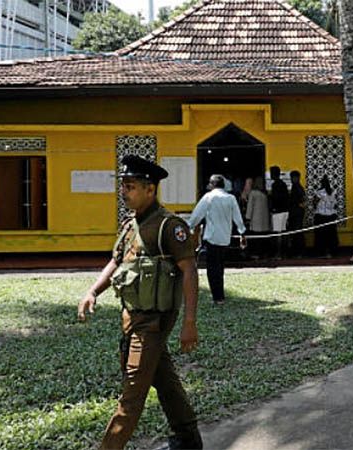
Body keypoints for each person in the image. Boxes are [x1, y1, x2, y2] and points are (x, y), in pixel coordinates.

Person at [76, 155, 203, 449]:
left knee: (132, 396)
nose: (124, 191)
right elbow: (116, 261)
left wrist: (190, 322)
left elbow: (190, 271)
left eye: (130, 186)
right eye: (123, 186)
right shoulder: (129, 225)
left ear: (150, 189)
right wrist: (93, 291)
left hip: (154, 323)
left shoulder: (169, 227)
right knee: (165, 381)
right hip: (131, 318)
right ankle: (188, 439)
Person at [187, 174, 247, 304]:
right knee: (220, 268)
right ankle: (220, 294)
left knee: (212, 269)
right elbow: (238, 217)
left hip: (211, 237)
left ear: (212, 185)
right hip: (225, 238)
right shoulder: (231, 198)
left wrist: (188, 227)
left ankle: (217, 297)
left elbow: (197, 215)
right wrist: (242, 233)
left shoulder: (208, 197)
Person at [313, 175, 338, 257]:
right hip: (331, 216)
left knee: (321, 236)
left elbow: (314, 203)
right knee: (331, 236)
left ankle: (321, 252)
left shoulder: (319, 192)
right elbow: (335, 204)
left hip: (321, 216)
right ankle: (332, 252)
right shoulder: (333, 191)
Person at [245, 176, 270, 258]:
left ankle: (255, 253)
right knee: (263, 238)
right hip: (264, 220)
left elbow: (250, 207)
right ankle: (263, 253)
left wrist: (247, 217)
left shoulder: (253, 193)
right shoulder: (264, 194)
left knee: (256, 238)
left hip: (255, 220)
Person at [268, 166, 290, 258]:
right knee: (284, 232)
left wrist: (272, 206)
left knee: (277, 234)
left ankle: (278, 253)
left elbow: (276, 199)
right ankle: (284, 253)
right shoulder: (283, 184)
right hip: (285, 211)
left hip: (278, 211)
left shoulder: (275, 185)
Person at [287, 170, 306, 257]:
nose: (292, 179)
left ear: (297, 178)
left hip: (296, 214)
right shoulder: (298, 187)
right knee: (297, 233)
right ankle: (299, 252)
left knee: (297, 233)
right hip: (297, 213)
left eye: (293, 177)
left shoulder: (297, 188)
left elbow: (299, 201)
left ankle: (298, 252)